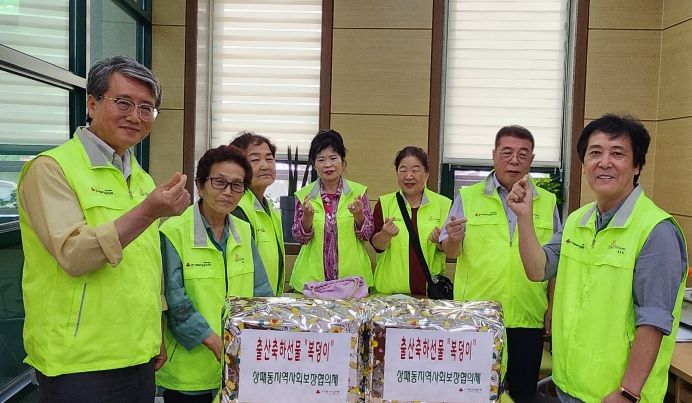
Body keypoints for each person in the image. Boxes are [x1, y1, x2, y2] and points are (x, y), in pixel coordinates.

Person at [18, 55, 191, 402]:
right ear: (92, 103)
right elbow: (74, 255)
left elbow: (146, 265)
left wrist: (156, 331)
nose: (135, 116)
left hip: (138, 354)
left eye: (146, 108)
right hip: (79, 364)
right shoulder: (51, 168)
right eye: (123, 102)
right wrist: (149, 211)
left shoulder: (140, 178)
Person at [507, 114, 687, 403]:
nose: (604, 162)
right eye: (595, 153)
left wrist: (628, 392)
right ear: (584, 164)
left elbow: (653, 321)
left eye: (617, 153)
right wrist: (524, 218)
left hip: (618, 396)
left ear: (637, 165)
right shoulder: (577, 220)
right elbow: (538, 269)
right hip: (570, 386)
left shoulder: (656, 230)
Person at [439, 125, 561, 403]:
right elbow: (450, 251)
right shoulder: (468, 197)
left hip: (527, 315)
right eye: (507, 152)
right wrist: (454, 239)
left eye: (523, 154)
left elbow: (554, 261)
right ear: (494, 155)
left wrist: (552, 305)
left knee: (522, 395)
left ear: (531, 159)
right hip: (477, 317)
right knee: (472, 393)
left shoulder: (547, 202)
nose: (514, 160)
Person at [155, 145, 273, 402]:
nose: (228, 192)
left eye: (237, 185)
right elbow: (175, 302)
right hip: (189, 372)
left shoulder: (244, 231)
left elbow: (261, 293)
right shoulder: (173, 232)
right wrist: (216, 343)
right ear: (199, 185)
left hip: (239, 367)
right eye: (219, 182)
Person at [289, 129, 374, 292]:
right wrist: (307, 217)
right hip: (313, 282)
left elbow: (367, 235)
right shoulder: (304, 196)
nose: (328, 165)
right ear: (314, 164)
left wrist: (359, 216)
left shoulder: (358, 192)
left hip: (352, 282)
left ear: (343, 161)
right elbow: (301, 238)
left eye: (333, 158)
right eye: (321, 159)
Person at [370, 146, 451, 295]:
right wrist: (385, 235)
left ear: (426, 174)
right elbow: (376, 246)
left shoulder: (443, 204)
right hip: (390, 294)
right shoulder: (384, 203)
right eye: (403, 170)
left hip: (429, 294)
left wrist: (439, 242)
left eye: (415, 170)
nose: (408, 176)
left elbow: (450, 250)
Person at [230, 131, 285, 296]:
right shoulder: (236, 209)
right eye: (254, 160)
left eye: (269, 158)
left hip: (266, 304)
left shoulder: (272, 212)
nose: (265, 165)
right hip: (247, 304)